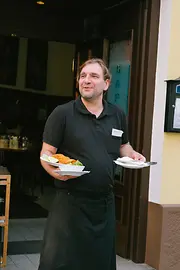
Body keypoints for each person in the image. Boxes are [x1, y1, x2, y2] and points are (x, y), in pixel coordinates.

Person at [38, 58, 145, 270]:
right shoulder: (63, 114)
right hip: (70, 205)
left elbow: (123, 146)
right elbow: (46, 154)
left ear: (106, 84)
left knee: (99, 265)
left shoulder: (117, 115)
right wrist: (56, 173)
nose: (86, 80)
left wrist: (134, 155)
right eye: (83, 76)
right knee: (61, 264)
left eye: (94, 76)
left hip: (104, 206)